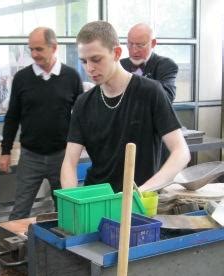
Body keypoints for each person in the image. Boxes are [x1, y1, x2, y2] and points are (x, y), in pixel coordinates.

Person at [60, 21, 191, 193]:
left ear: (116, 53)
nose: (89, 68)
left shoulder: (150, 92)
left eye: (96, 59)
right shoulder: (83, 103)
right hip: (97, 200)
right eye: (84, 61)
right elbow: (69, 161)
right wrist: (74, 199)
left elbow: (181, 152)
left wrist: (141, 192)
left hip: (139, 202)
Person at [0, 27, 84, 220]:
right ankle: (14, 250)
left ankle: (65, 249)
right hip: (30, 157)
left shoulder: (71, 77)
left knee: (67, 210)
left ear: (54, 47)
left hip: (63, 157)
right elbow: (12, 117)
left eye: (39, 49)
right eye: (31, 49)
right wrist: (5, 151)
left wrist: (85, 146)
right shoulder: (21, 78)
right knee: (19, 211)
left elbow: (81, 117)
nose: (34, 54)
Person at [121, 23, 178, 103]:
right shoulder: (120, 64)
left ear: (153, 43)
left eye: (140, 45)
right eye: (130, 44)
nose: (134, 50)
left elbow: (167, 98)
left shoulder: (166, 65)